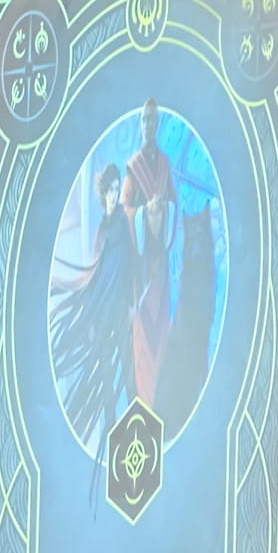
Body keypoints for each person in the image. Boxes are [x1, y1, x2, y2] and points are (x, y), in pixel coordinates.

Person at [49, 164, 138, 445]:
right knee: (106, 373)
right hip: (101, 311)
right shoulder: (101, 230)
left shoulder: (124, 222)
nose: (114, 194)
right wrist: (89, 319)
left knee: (128, 368)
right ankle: (113, 432)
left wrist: (132, 302)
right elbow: (94, 276)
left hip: (120, 307)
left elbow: (132, 263)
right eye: (110, 190)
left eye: (117, 189)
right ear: (103, 194)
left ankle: (138, 428)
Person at [122, 99, 177, 405]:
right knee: (142, 335)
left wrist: (163, 210)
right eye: (144, 120)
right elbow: (125, 210)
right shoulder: (133, 169)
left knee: (161, 332)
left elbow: (175, 204)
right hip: (141, 269)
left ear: (157, 124)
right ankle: (143, 400)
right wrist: (145, 214)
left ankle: (160, 400)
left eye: (152, 120)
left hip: (161, 268)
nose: (147, 125)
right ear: (140, 124)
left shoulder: (165, 165)